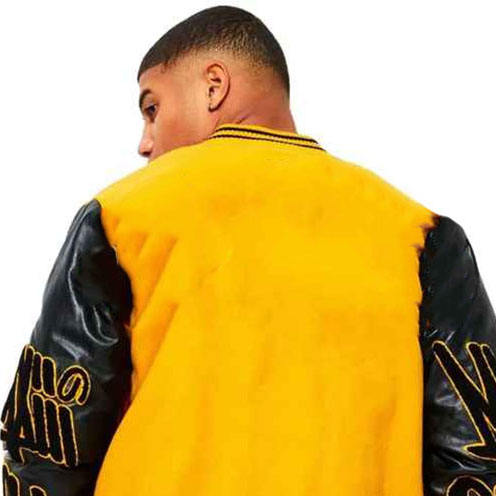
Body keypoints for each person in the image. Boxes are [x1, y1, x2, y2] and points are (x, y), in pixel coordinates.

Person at [1, 5, 495, 496]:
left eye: (152, 109)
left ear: (214, 86)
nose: (145, 143)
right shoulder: (420, 235)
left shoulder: (120, 217)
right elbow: (474, 454)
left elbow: (49, 448)